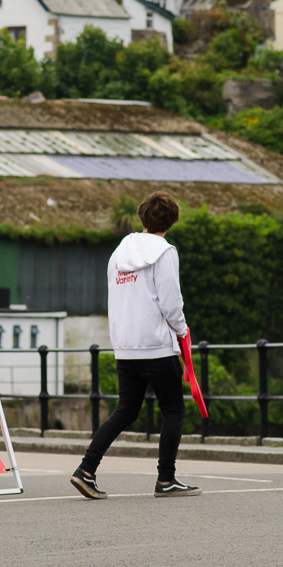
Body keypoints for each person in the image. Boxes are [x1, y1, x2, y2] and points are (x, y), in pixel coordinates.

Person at [71, 191, 200, 500]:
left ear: (142, 217)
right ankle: (166, 480)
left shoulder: (119, 252)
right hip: (156, 344)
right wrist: (183, 333)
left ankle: (86, 470)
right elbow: (171, 303)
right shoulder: (166, 252)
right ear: (172, 220)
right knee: (173, 410)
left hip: (126, 344)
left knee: (126, 410)